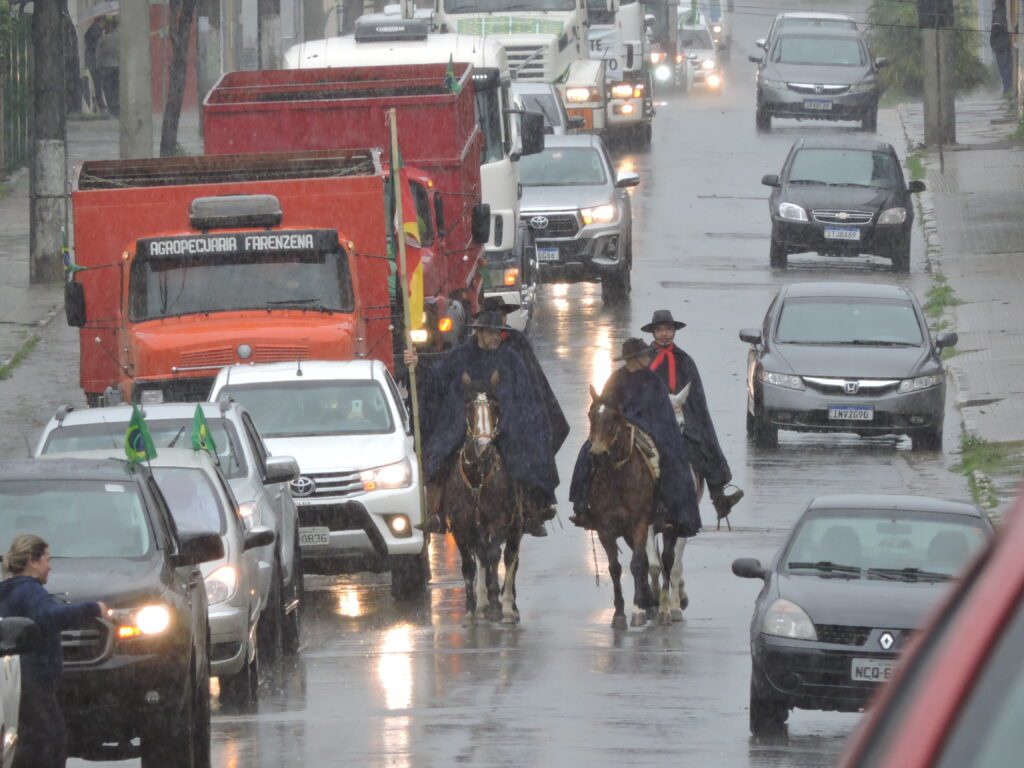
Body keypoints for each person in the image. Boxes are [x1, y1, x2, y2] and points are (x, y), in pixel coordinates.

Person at [404, 310, 560, 537]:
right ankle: (437, 512)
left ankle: (531, 508)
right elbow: (437, 378)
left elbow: (525, 392)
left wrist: (511, 417)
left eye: (498, 333)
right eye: (491, 333)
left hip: (505, 421)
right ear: (479, 333)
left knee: (526, 453)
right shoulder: (460, 356)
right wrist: (417, 365)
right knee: (440, 455)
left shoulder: (511, 359)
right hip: (462, 420)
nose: (496, 337)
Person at [569, 338, 702, 538]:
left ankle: (668, 508)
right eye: (646, 355)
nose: (649, 358)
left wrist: (648, 424)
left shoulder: (653, 380)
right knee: (586, 454)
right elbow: (605, 405)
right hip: (618, 427)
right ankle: (581, 505)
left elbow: (662, 412)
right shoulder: (615, 379)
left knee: (670, 456)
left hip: (651, 427)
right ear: (635, 359)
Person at [0, 535, 106, 768]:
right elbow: (50, 617)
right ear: (32, 561)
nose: (50, 566)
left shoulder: (6, 592)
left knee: (21, 743)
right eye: (47, 559)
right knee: (50, 743)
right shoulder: (30, 591)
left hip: (11, 684)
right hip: (33, 684)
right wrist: (93, 608)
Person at [642, 309, 743, 526]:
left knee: (703, 445)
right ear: (653, 333)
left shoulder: (685, 361)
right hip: (651, 417)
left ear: (674, 332)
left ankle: (719, 497)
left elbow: (696, 398)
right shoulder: (644, 358)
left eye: (668, 329)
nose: (664, 334)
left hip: (681, 415)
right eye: (660, 330)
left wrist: (694, 420)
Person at [95, 18, 120, 116]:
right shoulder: (122, 37)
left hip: (106, 67)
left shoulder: (103, 39)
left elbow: (98, 55)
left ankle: (112, 108)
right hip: (119, 67)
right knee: (117, 88)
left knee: (108, 89)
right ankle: (118, 107)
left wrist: (98, 66)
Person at [84, 18, 107, 111]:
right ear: (100, 21)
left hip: (91, 62)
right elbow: (98, 47)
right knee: (98, 84)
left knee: (96, 84)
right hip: (95, 63)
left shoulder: (90, 31)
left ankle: (98, 104)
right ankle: (100, 104)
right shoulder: (96, 31)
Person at [990, 15, 1014, 96]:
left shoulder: (996, 28)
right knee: (1005, 71)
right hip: (1003, 51)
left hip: (1001, 52)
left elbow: (992, 41)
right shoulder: (1002, 28)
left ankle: (1008, 90)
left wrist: (995, 48)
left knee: (1005, 72)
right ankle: (1008, 90)